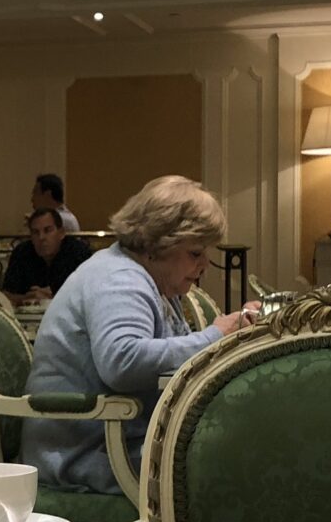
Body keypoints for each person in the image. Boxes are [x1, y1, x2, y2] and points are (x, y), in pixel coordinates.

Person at [22, 175, 257, 496]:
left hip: (111, 443)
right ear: (157, 245)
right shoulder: (120, 278)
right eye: (195, 253)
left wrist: (223, 334)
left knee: (248, 444)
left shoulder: (145, 277)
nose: (205, 264)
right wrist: (216, 335)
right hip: (87, 456)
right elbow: (123, 362)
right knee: (243, 458)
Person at [2, 208, 91, 306]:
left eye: (48, 230)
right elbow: (6, 295)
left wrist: (53, 298)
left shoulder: (78, 253)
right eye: (36, 232)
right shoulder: (22, 252)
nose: (41, 237)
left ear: (61, 233)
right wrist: (27, 299)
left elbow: (89, 294)